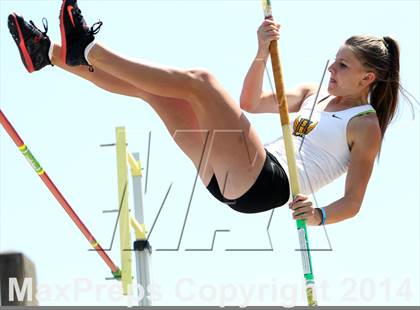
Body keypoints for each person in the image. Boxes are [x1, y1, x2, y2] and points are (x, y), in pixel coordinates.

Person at [7, 0, 402, 225]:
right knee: (159, 95)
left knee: (202, 82)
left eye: (343, 66)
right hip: (233, 178)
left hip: (268, 183)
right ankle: (51, 56)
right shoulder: (311, 94)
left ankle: (87, 48)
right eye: (334, 61)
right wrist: (262, 51)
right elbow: (250, 103)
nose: (332, 69)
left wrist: (317, 216)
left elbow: (353, 202)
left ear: (368, 78)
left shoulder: (365, 126)